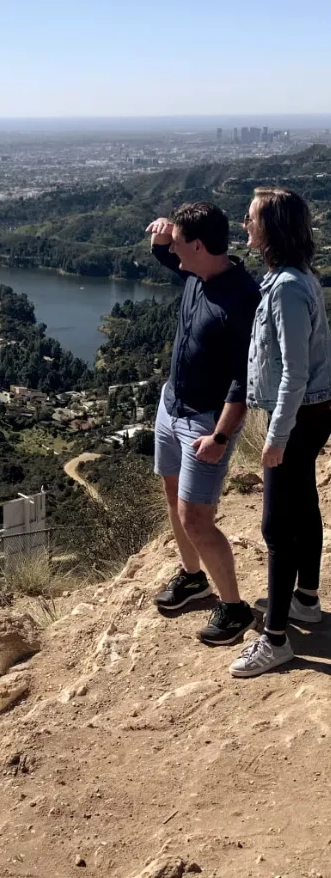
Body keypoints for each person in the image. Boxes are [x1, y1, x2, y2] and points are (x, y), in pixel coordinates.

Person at [146, 202, 261, 644]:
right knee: (173, 497)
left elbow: (243, 380)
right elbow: (169, 258)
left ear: (197, 245)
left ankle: (233, 607)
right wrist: (161, 241)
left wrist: (220, 435)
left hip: (205, 424)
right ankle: (193, 577)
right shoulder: (198, 272)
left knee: (196, 518)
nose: (172, 254)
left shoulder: (242, 299)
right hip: (170, 406)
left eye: (177, 245)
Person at [230, 188, 331, 677]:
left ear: (271, 227)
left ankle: (275, 639)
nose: (245, 224)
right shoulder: (295, 278)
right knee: (304, 502)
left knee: (276, 525)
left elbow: (292, 372)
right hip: (313, 410)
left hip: (298, 414)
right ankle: (306, 599)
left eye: (251, 218)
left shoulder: (288, 287)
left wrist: (276, 437)